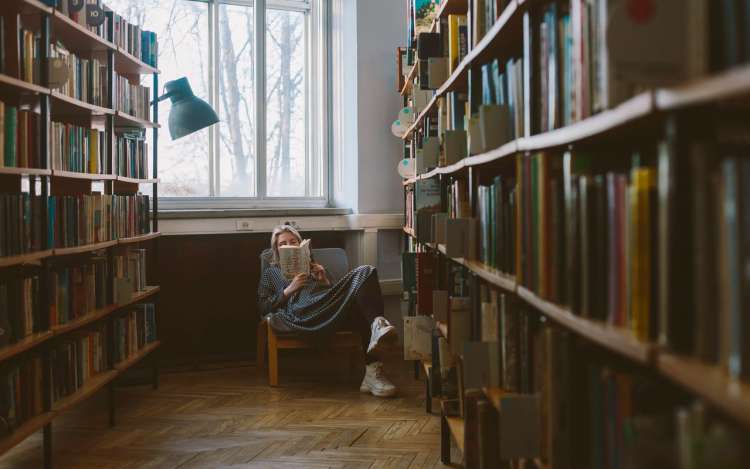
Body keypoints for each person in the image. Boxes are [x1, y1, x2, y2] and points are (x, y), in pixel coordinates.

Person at [257, 224, 399, 397]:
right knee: (363, 285)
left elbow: (335, 293)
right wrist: (288, 290)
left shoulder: (315, 267)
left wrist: (324, 279)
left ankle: (372, 372)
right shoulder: (271, 273)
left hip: (328, 308)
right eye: (283, 244)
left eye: (293, 241)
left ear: (302, 246)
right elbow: (263, 307)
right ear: (277, 250)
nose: (289, 245)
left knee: (367, 272)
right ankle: (377, 330)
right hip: (303, 312)